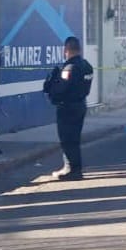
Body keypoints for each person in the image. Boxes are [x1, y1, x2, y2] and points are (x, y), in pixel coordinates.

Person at [43, 36, 94, 181]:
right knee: (74, 139)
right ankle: (72, 167)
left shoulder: (69, 68)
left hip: (68, 107)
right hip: (80, 105)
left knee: (67, 139)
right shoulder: (86, 65)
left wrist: (51, 87)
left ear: (66, 50)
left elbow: (61, 89)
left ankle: (72, 169)